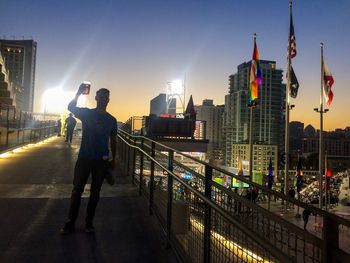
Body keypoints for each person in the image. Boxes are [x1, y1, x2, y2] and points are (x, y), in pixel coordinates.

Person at [60, 85, 117, 235]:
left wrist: (114, 160)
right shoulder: (86, 114)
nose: (103, 98)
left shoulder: (112, 120)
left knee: (95, 193)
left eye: (106, 96)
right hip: (84, 158)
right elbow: (71, 106)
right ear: (96, 98)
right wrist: (78, 92)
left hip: (101, 161)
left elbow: (114, 140)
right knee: (77, 190)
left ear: (108, 100)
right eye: (101, 96)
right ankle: (70, 222)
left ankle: (89, 222)